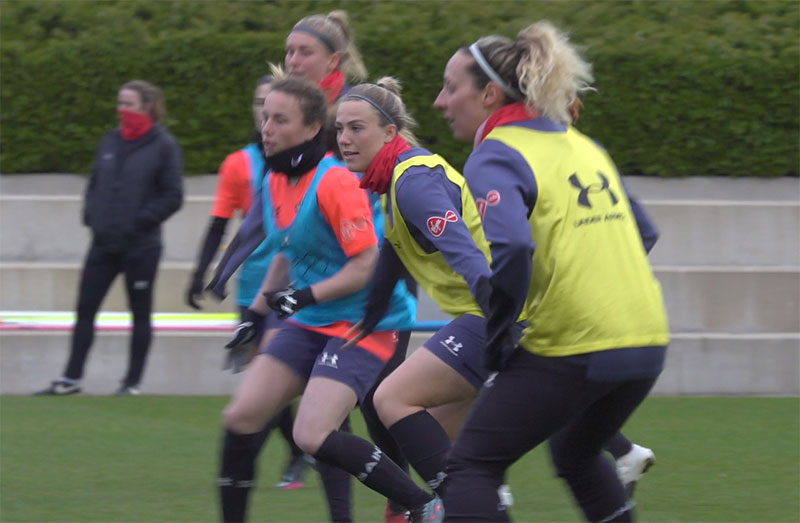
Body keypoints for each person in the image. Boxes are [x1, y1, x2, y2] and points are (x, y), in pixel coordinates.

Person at [338, 78, 654, 505]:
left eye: (356, 128)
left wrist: (501, 325)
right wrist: (368, 323)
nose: (344, 139)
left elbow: (469, 258)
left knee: (391, 399)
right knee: (446, 441)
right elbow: (390, 262)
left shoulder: (413, 183)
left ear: (390, 132)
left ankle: (448, 506)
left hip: (494, 311)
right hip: (495, 312)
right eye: (338, 129)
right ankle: (475, 500)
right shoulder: (394, 184)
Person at [433, 21, 669, 521]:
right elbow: (643, 232)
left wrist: (498, 338)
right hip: (647, 338)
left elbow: (513, 246)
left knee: (471, 466)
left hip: (577, 343)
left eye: (451, 88)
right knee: (577, 453)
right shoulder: (582, 144)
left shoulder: (494, 153)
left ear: (489, 95)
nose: (439, 101)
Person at [214, 77, 441, 523]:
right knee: (240, 417)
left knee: (312, 433)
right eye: (265, 117)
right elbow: (286, 252)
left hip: (366, 323)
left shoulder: (335, 182)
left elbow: (365, 266)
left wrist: (302, 296)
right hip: (310, 320)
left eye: (280, 119)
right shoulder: (277, 178)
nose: (267, 127)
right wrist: (255, 316)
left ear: (312, 127)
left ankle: (423, 505)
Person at [186, 75, 309, 489]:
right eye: (259, 105)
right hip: (253, 291)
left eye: (273, 109)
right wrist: (203, 275)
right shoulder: (239, 163)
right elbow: (221, 224)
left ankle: (280, 458)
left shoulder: (317, 164)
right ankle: (296, 453)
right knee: (265, 383)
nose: (264, 116)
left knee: (273, 388)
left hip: (298, 290)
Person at [35, 80, 183, 396]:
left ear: (147, 106)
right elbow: (95, 182)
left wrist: (140, 222)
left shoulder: (164, 146)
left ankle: (132, 383)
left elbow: (173, 196)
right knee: (85, 308)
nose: (122, 110)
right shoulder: (110, 141)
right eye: (120, 104)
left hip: (141, 246)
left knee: (140, 312)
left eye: (128, 104)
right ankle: (71, 378)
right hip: (103, 243)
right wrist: (92, 216)